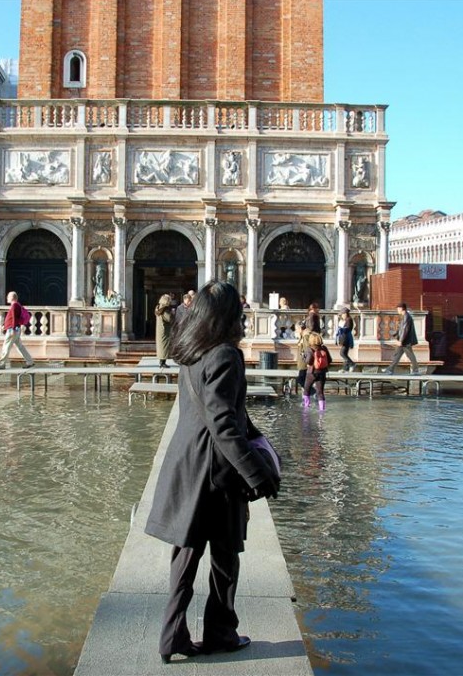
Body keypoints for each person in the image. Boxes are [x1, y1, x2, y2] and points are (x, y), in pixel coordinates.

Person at [145, 280, 280, 664]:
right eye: (239, 310)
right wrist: (257, 475)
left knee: (185, 555)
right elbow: (223, 423)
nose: (243, 317)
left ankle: (172, 636)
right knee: (224, 555)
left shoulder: (191, 352)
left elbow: (222, 413)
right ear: (227, 316)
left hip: (187, 463)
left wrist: (254, 435)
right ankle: (221, 633)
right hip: (215, 473)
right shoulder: (225, 355)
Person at [0, 291, 34, 369]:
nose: (7, 298)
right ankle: (30, 361)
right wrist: (5, 326)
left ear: (12, 297)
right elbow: (13, 318)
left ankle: (2, 364)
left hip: (13, 329)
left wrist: (13, 328)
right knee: (20, 347)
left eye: (8, 296)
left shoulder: (14, 305)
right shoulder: (16, 305)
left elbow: (15, 318)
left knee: (6, 346)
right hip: (15, 329)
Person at [382, 302, 420, 375]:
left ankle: (415, 370)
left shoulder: (407, 317)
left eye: (398, 309)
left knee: (410, 355)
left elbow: (405, 329)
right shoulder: (405, 316)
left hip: (405, 341)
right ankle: (390, 369)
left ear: (402, 308)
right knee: (397, 355)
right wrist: (395, 334)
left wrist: (401, 341)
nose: (397, 310)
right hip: (404, 340)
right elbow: (402, 329)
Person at [302, 331, 332, 410]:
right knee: (320, 392)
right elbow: (330, 360)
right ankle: (322, 409)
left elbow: (308, 361)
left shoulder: (310, 349)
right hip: (322, 373)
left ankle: (306, 406)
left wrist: (303, 357)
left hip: (312, 373)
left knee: (306, 389)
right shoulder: (324, 348)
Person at [155, 294, 175, 368]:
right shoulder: (164, 309)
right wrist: (172, 314)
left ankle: (162, 361)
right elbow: (169, 319)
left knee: (161, 346)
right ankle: (162, 362)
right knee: (164, 346)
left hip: (160, 329)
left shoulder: (158, 307)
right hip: (164, 330)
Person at [293, 320, 312, 392]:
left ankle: (314, 393)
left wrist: (308, 362)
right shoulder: (303, 336)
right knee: (303, 381)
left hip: (304, 364)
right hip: (302, 363)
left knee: (301, 380)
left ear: (300, 328)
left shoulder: (305, 336)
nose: (296, 331)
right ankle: (308, 396)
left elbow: (307, 350)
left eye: (296, 329)